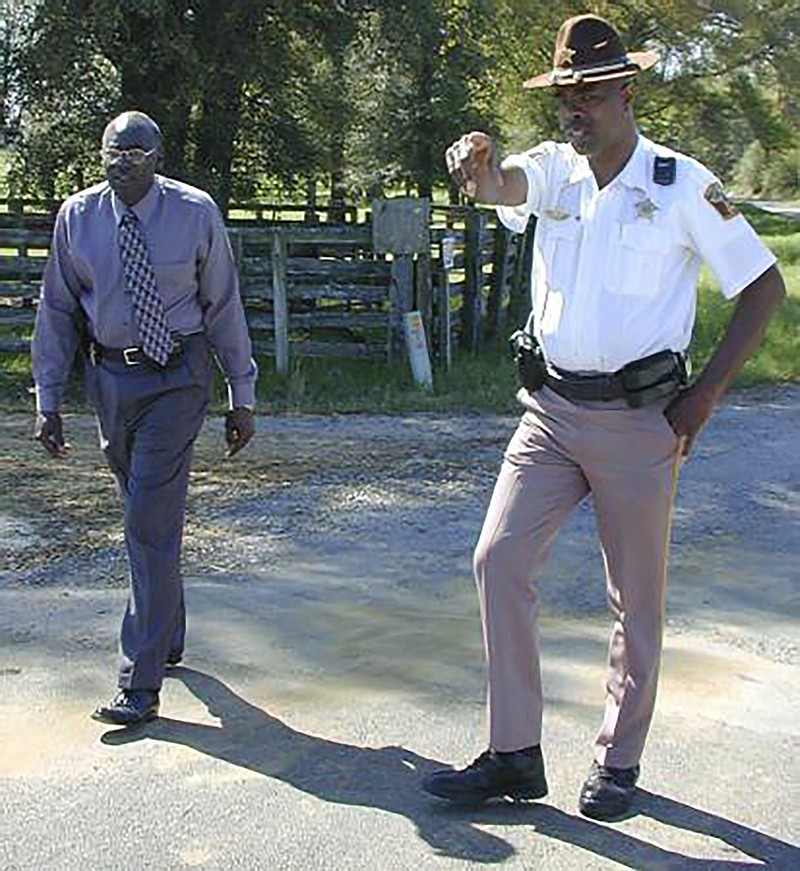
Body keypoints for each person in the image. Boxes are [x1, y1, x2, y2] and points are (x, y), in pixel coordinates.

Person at [422, 14, 785, 820]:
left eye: (586, 93)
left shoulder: (679, 184)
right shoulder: (557, 170)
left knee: (636, 600)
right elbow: (502, 186)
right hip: (548, 411)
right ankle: (514, 751)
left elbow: (764, 287)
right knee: (499, 561)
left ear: (626, 89)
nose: (571, 108)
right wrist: (478, 169)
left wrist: (707, 394)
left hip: (639, 421)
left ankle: (618, 762)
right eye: (562, 94)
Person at [31, 111, 258, 727]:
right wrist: (47, 397)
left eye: (135, 150)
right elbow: (56, 309)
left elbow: (223, 303)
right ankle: (169, 633)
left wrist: (243, 393)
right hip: (110, 378)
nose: (122, 160)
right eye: (111, 150)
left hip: (178, 377)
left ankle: (140, 681)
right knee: (147, 513)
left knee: (146, 521)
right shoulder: (78, 218)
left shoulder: (194, 212)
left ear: (158, 157)